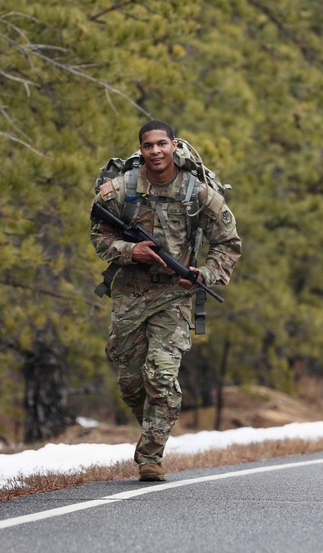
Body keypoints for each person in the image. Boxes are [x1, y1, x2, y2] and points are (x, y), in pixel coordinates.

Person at [90, 120, 242, 482]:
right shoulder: (121, 189)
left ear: (174, 145)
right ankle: (157, 422)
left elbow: (228, 242)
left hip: (175, 293)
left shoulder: (197, 192)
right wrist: (131, 250)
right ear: (140, 150)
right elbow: (99, 236)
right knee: (130, 381)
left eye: (162, 144)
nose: (155, 151)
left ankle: (150, 457)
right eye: (148, 146)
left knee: (161, 375)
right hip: (129, 291)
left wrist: (203, 273)